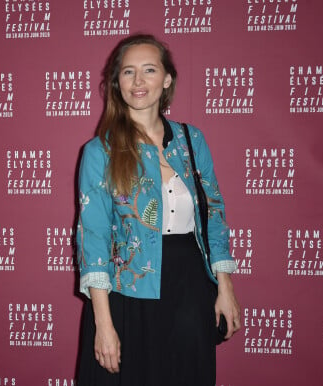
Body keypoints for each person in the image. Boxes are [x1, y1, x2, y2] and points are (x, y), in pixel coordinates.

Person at [76, 33, 240, 386]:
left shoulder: (191, 140)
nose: (138, 81)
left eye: (149, 70)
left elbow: (213, 215)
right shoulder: (99, 152)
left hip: (189, 289)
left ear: (166, 80)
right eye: (128, 72)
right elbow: (94, 240)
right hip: (127, 296)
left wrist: (224, 288)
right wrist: (104, 325)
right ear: (117, 83)